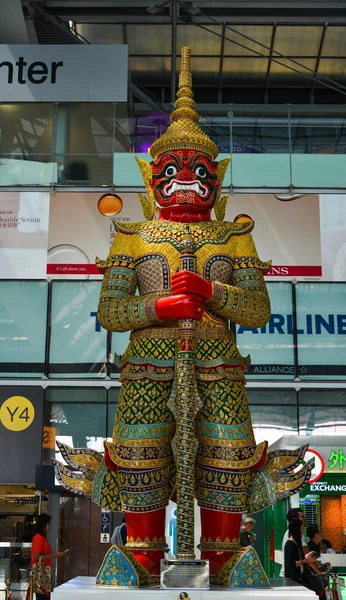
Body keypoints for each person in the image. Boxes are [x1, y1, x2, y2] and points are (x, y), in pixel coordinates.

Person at [31, 514, 64, 600]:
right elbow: (37, 557)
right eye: (48, 524)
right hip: (40, 573)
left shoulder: (43, 538)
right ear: (43, 524)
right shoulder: (39, 538)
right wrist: (55, 555)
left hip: (45, 572)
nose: (49, 526)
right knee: (42, 597)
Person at [284, 518, 317, 586]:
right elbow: (290, 564)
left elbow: (296, 559)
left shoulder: (296, 543)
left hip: (298, 579)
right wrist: (305, 560)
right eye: (302, 528)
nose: (303, 531)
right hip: (293, 581)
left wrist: (306, 557)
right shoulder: (290, 544)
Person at [280, 508, 308, 577]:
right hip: (291, 577)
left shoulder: (293, 535)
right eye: (302, 517)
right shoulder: (291, 540)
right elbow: (290, 563)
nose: (305, 519)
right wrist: (305, 560)